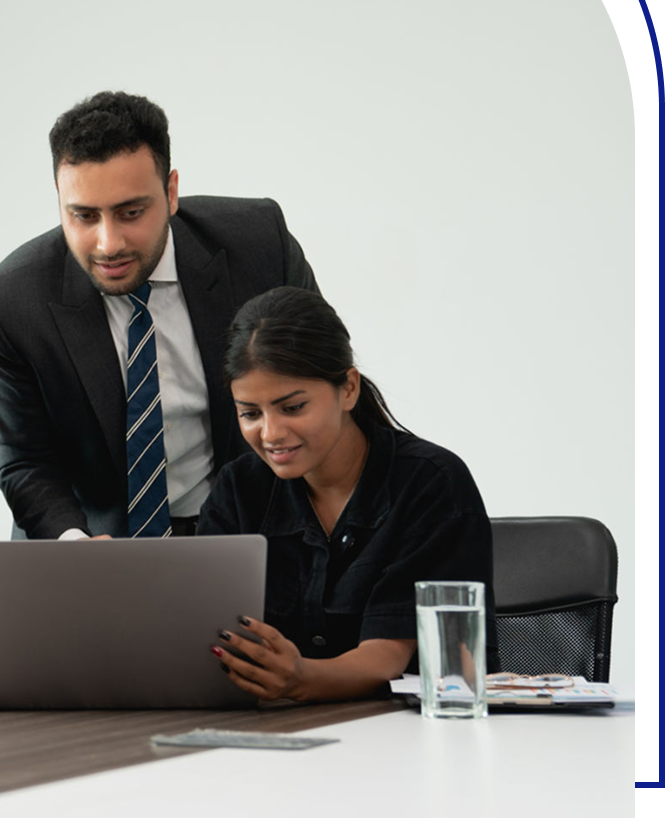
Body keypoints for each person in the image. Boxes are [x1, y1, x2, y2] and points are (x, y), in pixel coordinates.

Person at [0, 91, 317, 540]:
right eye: (83, 216)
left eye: (131, 212)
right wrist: (71, 544)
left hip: (252, 531)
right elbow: (24, 458)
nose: (108, 242)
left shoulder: (258, 243)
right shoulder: (10, 302)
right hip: (95, 548)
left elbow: (321, 382)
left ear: (171, 192)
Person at [198, 286, 496, 702]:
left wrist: (300, 676)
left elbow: (390, 655)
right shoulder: (238, 489)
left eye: (293, 407)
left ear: (349, 389)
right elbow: (203, 633)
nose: (270, 433)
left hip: (408, 734)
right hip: (275, 732)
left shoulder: (430, 483)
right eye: (250, 413)